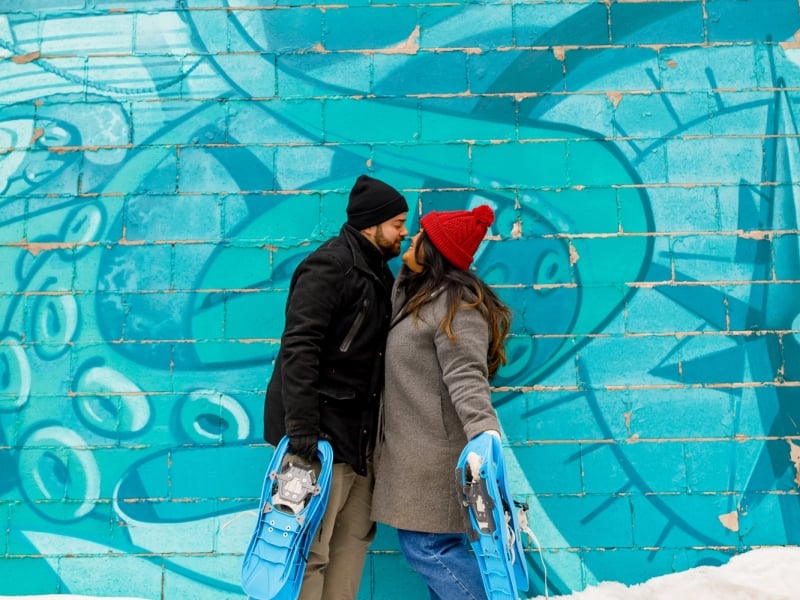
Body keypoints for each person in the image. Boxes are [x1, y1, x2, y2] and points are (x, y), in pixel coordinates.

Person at [263, 174, 409, 600]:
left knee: (352, 544)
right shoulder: (330, 266)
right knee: (310, 548)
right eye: (397, 223)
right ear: (372, 224)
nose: (404, 232)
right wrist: (303, 430)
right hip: (320, 437)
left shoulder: (379, 273)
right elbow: (299, 345)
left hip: (359, 438)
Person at [371, 205, 511, 600]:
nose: (411, 238)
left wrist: (484, 433)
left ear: (434, 249)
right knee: (438, 561)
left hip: (434, 458)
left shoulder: (456, 306)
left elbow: (467, 376)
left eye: (420, 236)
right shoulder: (423, 297)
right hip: (413, 454)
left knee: (429, 550)